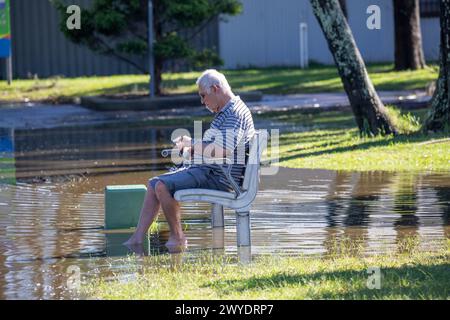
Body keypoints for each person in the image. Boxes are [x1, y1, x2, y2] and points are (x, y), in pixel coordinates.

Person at [124, 69, 255, 250]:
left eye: (203, 96)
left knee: (162, 185)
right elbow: (215, 147)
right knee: (153, 183)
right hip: (212, 171)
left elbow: (222, 150)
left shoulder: (234, 113)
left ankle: (178, 238)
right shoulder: (227, 111)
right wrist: (192, 151)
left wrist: (191, 143)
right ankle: (137, 239)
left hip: (221, 178)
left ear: (216, 88)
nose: (202, 102)